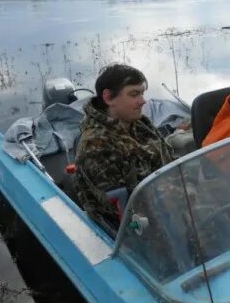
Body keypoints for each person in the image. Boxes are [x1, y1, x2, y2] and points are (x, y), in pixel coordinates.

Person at [75, 63, 174, 231]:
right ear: (108, 98)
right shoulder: (95, 146)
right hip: (140, 228)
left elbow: (170, 160)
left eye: (142, 93)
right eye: (134, 94)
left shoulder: (139, 123)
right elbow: (124, 210)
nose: (142, 101)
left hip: (171, 203)